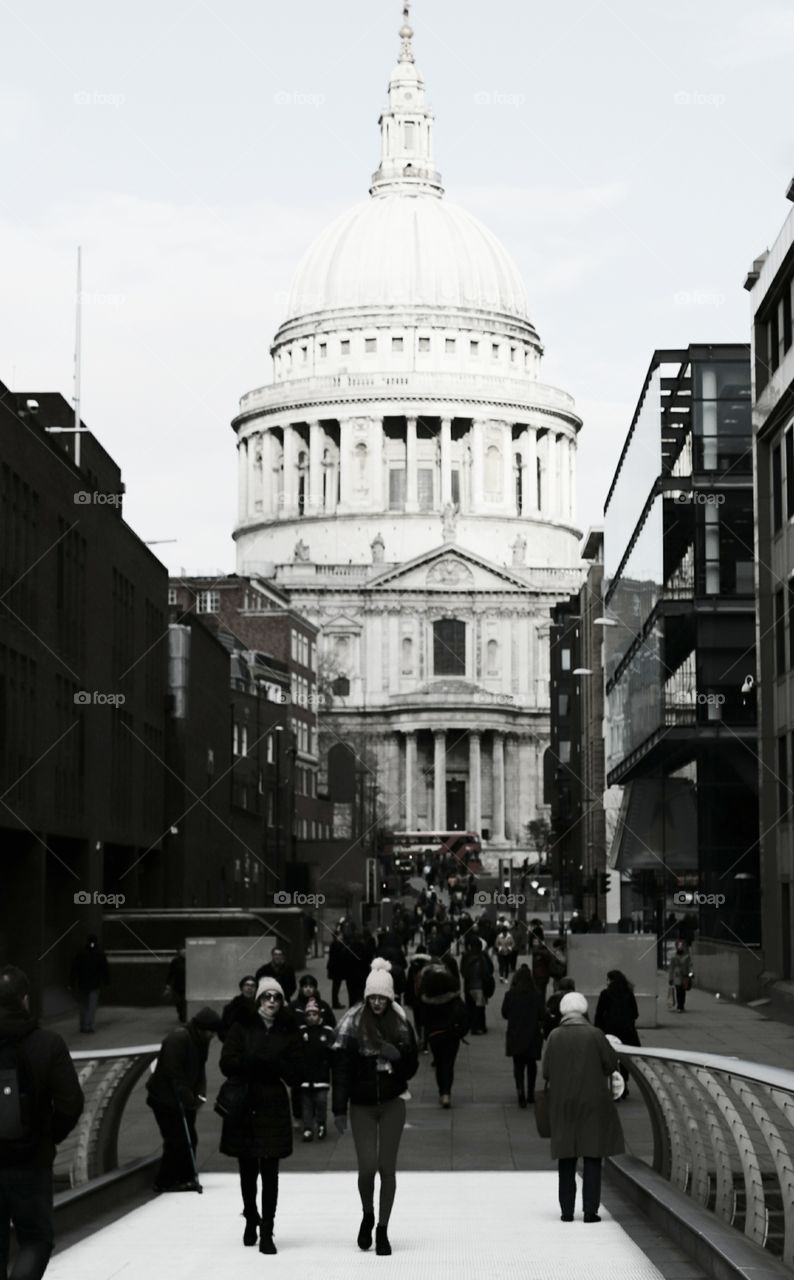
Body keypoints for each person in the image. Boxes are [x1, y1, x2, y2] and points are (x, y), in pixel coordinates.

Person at [0, 966, 84, 1280]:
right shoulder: (47, 1043)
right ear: (24, 999)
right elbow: (71, 1103)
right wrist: (47, 1137)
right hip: (30, 1161)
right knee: (35, 1240)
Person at [332, 959, 418, 1256]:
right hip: (362, 1105)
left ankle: (382, 1228)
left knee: (387, 1168)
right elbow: (341, 1069)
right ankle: (367, 1214)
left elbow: (412, 1068)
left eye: (383, 997)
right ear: (367, 997)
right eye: (374, 997)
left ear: (390, 997)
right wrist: (338, 1108)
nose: (378, 1002)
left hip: (393, 1102)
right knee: (367, 1168)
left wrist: (397, 1057)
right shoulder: (353, 1023)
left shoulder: (401, 1022)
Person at [219, 977, 301, 1254]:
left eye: (276, 997)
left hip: (273, 1104)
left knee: (270, 1172)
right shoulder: (241, 1027)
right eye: (266, 997)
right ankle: (250, 1217)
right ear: (258, 1000)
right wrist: (251, 1062)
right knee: (247, 1170)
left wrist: (274, 1065)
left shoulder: (288, 1030)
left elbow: (296, 1073)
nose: (271, 1002)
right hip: (245, 1102)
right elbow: (225, 1062)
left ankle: (267, 1229)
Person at [542, 992, 625, 1222]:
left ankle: (566, 1211)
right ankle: (590, 1211)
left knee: (566, 1156)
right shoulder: (595, 1035)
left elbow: (546, 1072)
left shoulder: (554, 1036)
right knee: (592, 1155)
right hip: (592, 1101)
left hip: (562, 1102)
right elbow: (610, 1064)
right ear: (584, 1011)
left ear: (563, 1012)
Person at [146, 1005, 222, 1193]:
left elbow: (197, 1071)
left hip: (182, 1097)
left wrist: (196, 1096)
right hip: (165, 1099)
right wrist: (187, 1097)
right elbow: (174, 1073)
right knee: (177, 1139)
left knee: (189, 1138)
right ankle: (165, 1181)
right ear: (202, 1028)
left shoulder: (199, 1040)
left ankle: (186, 1177)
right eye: (211, 1031)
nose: (213, 1036)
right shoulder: (178, 1039)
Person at [419, 959, 469, 1107]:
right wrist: (461, 1032)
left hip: (435, 1035)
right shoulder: (454, 999)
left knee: (440, 1063)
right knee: (448, 1064)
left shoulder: (427, 1000)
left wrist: (426, 1034)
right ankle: (446, 1092)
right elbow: (464, 1015)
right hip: (451, 1034)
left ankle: (442, 1091)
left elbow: (422, 1019)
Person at [501, 965, 543, 1108]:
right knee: (531, 1065)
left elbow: (504, 1013)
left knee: (518, 1066)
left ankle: (520, 1092)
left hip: (515, 1034)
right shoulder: (536, 994)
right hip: (532, 1034)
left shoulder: (510, 994)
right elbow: (541, 1014)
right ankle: (531, 1093)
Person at [296, 998, 335, 1141]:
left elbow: (332, 1051)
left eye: (314, 1014)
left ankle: (321, 1124)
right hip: (305, 1075)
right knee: (306, 1103)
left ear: (319, 1016)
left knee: (321, 1101)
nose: (311, 1017)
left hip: (321, 1075)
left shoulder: (327, 1031)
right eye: (309, 1015)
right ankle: (307, 1128)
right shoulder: (301, 1032)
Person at [68, 934, 110, 1033]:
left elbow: (74, 968)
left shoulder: (81, 953)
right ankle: (89, 1025)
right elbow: (104, 969)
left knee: (83, 1005)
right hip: (94, 984)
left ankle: (83, 1025)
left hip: (82, 983)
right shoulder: (99, 953)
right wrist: (106, 981)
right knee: (91, 1006)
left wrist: (71, 982)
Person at [460, 935, 495, 1035]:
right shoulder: (483, 956)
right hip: (480, 986)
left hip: (468, 986)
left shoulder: (466, 956)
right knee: (479, 1008)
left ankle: (471, 1025)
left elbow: (462, 971)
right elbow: (490, 970)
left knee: (470, 1006)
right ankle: (479, 1026)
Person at [220, 975, 258, 1041]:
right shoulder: (231, 1008)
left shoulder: (261, 1007)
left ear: (256, 989)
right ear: (242, 988)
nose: (249, 988)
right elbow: (223, 1030)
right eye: (247, 985)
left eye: (253, 986)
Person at [668, 940, 693, 1012]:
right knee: (678, 990)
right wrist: (670, 978)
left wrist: (691, 973)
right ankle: (679, 1005)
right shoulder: (674, 957)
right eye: (679, 946)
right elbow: (671, 968)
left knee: (683, 991)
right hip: (677, 975)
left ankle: (682, 1005)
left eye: (681, 946)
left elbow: (690, 965)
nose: (680, 947)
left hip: (685, 975)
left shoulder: (687, 956)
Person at [163, 947, 187, 1023]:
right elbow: (170, 974)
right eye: (183, 951)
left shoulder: (190, 960)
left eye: (185, 951)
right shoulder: (175, 961)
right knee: (178, 1003)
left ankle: (184, 1018)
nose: (184, 952)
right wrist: (167, 985)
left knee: (184, 1003)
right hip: (177, 986)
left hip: (187, 986)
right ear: (179, 952)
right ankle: (181, 1015)